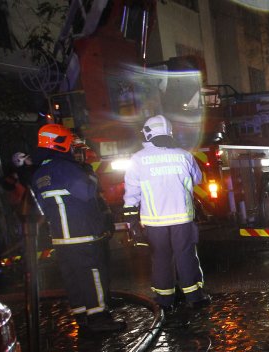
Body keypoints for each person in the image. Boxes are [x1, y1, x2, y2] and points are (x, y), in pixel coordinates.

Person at [30, 124, 125, 333]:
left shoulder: (39, 173)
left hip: (60, 238)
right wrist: (88, 171)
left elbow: (39, 207)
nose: (74, 149)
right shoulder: (67, 168)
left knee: (73, 276)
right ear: (61, 143)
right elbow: (87, 191)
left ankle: (81, 315)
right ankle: (99, 317)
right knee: (92, 273)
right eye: (71, 144)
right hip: (81, 233)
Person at [123, 115, 210, 315]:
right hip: (182, 218)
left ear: (147, 133)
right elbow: (197, 179)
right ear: (170, 132)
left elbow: (131, 195)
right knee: (186, 256)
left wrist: (131, 221)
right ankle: (194, 298)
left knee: (160, 258)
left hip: (154, 221)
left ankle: (165, 300)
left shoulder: (137, 159)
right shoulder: (184, 155)